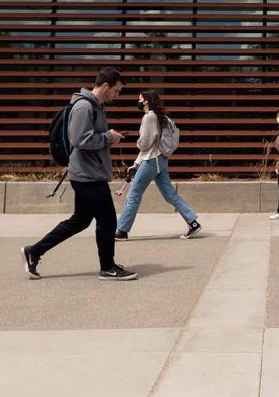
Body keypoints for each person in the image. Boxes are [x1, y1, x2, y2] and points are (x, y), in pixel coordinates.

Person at [21, 68, 137, 282]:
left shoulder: (96, 107)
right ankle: (108, 267)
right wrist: (108, 138)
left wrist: (109, 136)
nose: (117, 95)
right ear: (105, 86)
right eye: (117, 91)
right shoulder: (84, 106)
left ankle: (34, 251)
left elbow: (91, 137)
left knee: (80, 221)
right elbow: (80, 140)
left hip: (88, 173)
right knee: (108, 221)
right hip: (87, 175)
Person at [114, 89, 201, 240]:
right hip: (160, 159)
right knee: (169, 194)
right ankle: (192, 222)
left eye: (140, 98)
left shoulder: (149, 117)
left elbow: (145, 144)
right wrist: (136, 163)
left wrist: (138, 143)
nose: (138, 101)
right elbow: (153, 144)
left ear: (146, 100)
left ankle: (121, 230)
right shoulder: (161, 117)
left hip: (151, 161)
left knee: (134, 194)